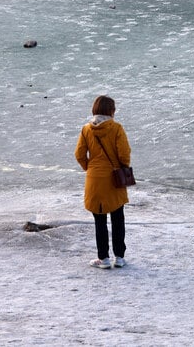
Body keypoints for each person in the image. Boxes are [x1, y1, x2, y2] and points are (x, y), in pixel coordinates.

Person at [74, 95, 131, 269]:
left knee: (99, 220)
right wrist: (122, 167)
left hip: (94, 179)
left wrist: (89, 168)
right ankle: (119, 257)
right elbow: (124, 154)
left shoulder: (86, 129)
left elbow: (79, 154)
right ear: (111, 111)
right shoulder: (117, 128)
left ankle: (103, 258)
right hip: (114, 178)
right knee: (117, 218)